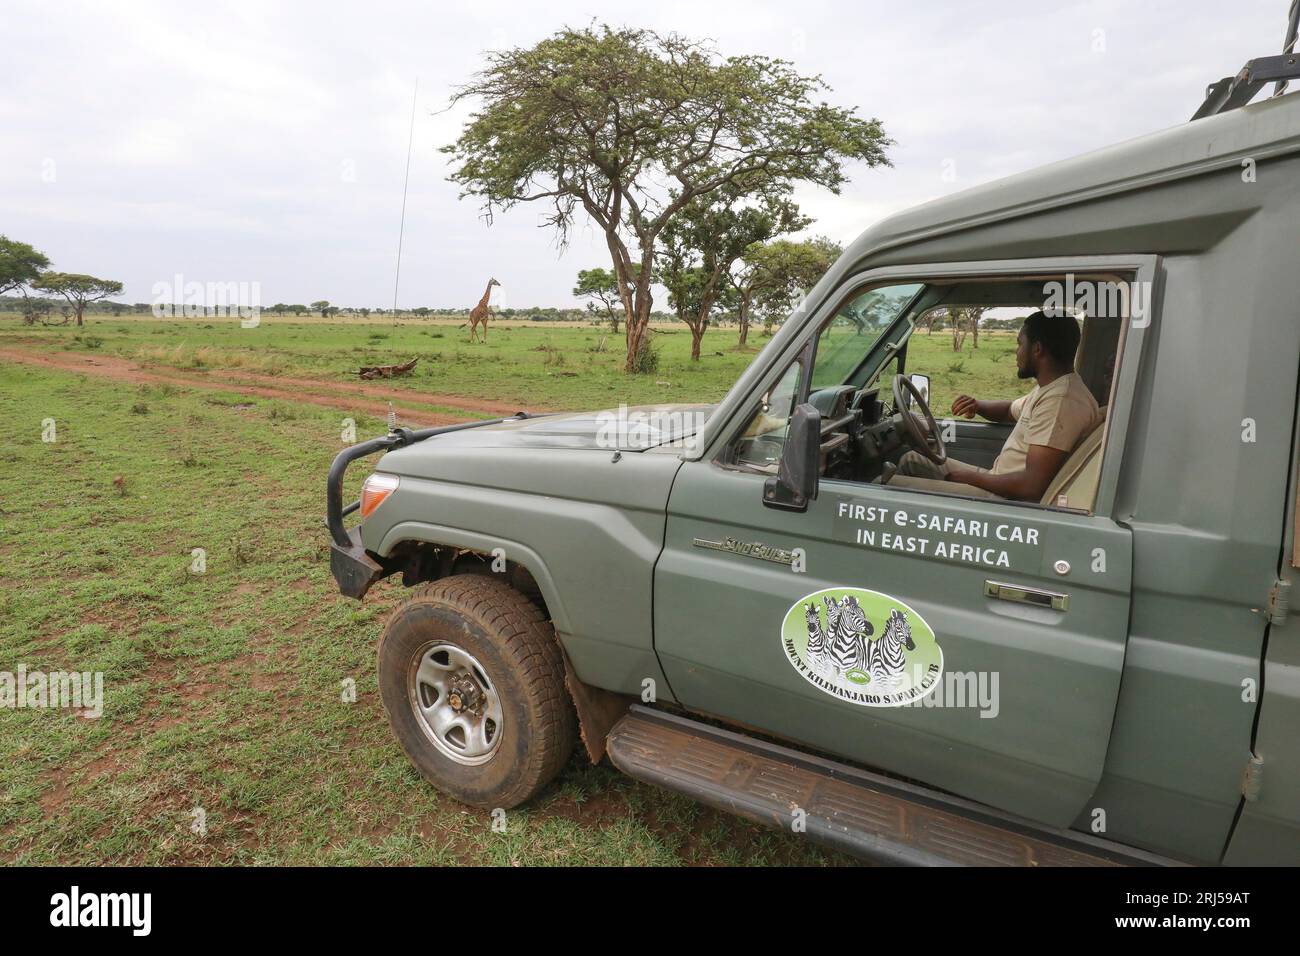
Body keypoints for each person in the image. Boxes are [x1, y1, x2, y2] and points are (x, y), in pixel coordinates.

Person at [890, 310, 1102, 502]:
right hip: (1000, 481)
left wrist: (971, 478)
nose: (1016, 352)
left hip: (1005, 499)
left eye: (1020, 344)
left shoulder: (1060, 402)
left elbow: (1031, 487)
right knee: (912, 459)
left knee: (888, 485)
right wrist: (978, 406)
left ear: (1037, 349)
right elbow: (1010, 410)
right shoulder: (1052, 389)